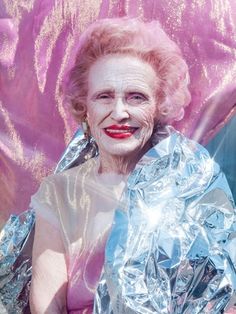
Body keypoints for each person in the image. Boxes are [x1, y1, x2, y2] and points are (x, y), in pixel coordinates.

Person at [29, 18, 235, 314]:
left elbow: (222, 295)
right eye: (104, 96)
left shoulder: (192, 184)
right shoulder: (59, 193)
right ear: (84, 107)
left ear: (159, 106)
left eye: (136, 97)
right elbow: (47, 305)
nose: (120, 112)